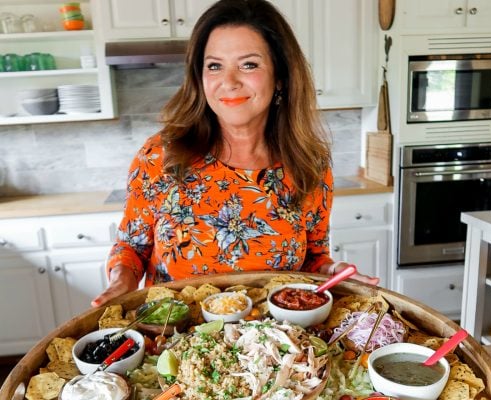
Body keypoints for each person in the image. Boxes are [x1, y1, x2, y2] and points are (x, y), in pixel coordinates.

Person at [91, 0, 378, 308]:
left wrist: (332, 271)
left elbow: (311, 258)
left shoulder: (309, 164)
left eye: (248, 65)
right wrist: (122, 281)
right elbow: (132, 247)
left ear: (280, 77)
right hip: (173, 346)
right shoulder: (161, 156)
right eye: (214, 66)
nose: (228, 82)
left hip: (276, 344)